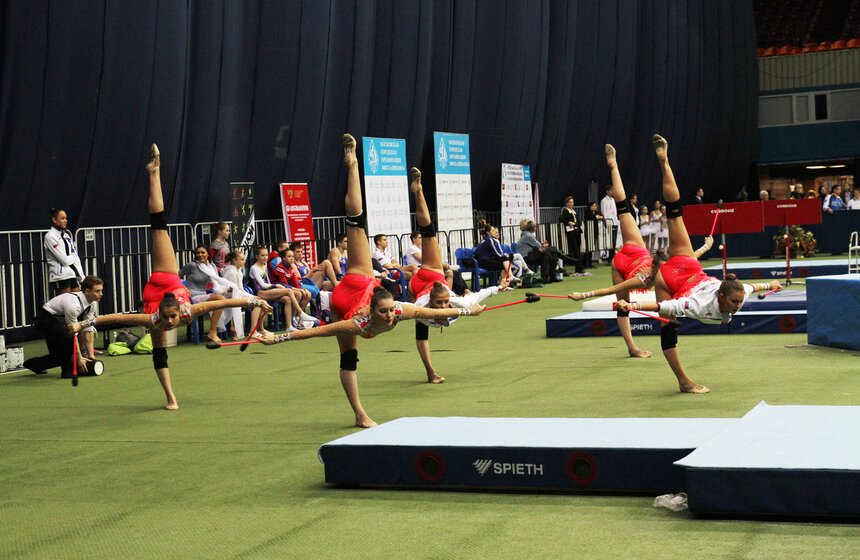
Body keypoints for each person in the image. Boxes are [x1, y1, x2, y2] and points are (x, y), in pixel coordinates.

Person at [256, 135, 486, 428]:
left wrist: (468, 310)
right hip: (351, 288)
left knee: (415, 230)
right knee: (357, 222)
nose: (391, 316)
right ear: (373, 312)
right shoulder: (358, 323)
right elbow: (315, 333)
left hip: (359, 289)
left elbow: (436, 312)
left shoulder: (401, 311)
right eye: (386, 312)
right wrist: (278, 338)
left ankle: (396, 182)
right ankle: (351, 163)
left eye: (391, 311)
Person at [68, 144, 271, 410]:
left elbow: (223, 303)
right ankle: (170, 397)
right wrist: (83, 324)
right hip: (167, 279)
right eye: (169, 319)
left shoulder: (181, 312)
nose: (171, 322)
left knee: (159, 227)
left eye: (172, 318)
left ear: (177, 312)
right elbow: (115, 317)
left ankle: (154, 172)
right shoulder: (157, 319)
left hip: (159, 288)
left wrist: (255, 301)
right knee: (159, 228)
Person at [615, 135, 780, 394]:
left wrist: (772, 283)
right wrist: (631, 305)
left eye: (738, 302)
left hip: (689, 264)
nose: (738, 306)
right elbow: (662, 305)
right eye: (734, 303)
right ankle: (684, 381)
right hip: (671, 279)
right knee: (668, 329)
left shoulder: (738, 290)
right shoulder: (699, 305)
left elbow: (753, 287)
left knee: (674, 211)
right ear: (721, 296)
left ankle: (664, 161)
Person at [569, 144, 713, 358]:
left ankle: (614, 165)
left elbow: (690, 260)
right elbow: (608, 293)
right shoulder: (644, 280)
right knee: (622, 306)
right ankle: (632, 348)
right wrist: (584, 294)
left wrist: (705, 247)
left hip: (634, 250)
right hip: (624, 261)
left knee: (623, 207)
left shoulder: (654, 273)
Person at [407, 167, 510, 383]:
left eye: (445, 303)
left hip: (420, 287)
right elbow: (467, 304)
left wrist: (497, 288)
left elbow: (477, 297)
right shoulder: (429, 308)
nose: (445, 306)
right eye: (442, 304)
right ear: (433, 303)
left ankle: (429, 371)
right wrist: (468, 311)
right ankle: (418, 191)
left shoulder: (443, 302)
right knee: (428, 231)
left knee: (421, 321)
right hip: (432, 278)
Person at [23, 275, 104, 378]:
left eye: (101, 290)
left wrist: (90, 354)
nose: (101, 294)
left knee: (58, 357)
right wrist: (79, 358)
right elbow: (73, 333)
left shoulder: (92, 304)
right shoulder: (73, 305)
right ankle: (67, 371)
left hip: (57, 322)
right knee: (68, 336)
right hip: (44, 319)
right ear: (87, 291)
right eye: (97, 291)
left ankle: (33, 364)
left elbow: (88, 329)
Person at [248, 245, 307, 333]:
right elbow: (262, 285)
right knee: (289, 291)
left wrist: (273, 286)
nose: (265, 257)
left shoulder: (264, 265)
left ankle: (289, 326)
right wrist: (275, 286)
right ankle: (301, 313)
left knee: (287, 299)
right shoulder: (254, 268)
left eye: (266, 255)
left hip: (268, 292)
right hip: (261, 293)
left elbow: (267, 281)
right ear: (256, 256)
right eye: (262, 255)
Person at [178, 245, 231, 343]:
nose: (200, 255)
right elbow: (176, 277)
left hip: (204, 294)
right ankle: (212, 332)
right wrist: (184, 288)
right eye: (198, 253)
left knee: (227, 297)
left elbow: (217, 282)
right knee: (220, 299)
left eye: (203, 252)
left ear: (208, 254)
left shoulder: (212, 266)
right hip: (192, 297)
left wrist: (227, 289)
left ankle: (230, 330)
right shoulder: (192, 265)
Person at [517, 219, 588, 282]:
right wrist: (543, 245)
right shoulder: (528, 235)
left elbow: (537, 246)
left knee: (546, 255)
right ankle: (563, 264)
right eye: (535, 227)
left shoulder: (526, 235)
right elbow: (539, 246)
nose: (536, 229)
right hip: (526, 256)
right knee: (552, 249)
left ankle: (548, 277)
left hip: (529, 254)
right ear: (532, 228)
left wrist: (542, 246)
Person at [44, 208, 85, 296]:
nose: (65, 221)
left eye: (66, 218)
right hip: (60, 276)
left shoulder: (66, 236)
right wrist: (73, 256)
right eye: (62, 218)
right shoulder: (50, 236)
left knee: (77, 303)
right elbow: (65, 260)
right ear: (54, 220)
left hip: (72, 274)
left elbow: (76, 258)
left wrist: (82, 276)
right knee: (65, 306)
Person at [600, 185, 619, 261]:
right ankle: (610, 257)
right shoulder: (604, 200)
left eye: (612, 190)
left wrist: (616, 220)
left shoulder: (613, 200)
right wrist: (606, 221)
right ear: (607, 191)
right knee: (611, 240)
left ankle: (612, 255)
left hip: (614, 221)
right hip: (608, 222)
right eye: (611, 190)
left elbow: (614, 211)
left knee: (614, 240)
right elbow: (604, 212)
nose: (612, 192)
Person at [583, 201, 603, 268]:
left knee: (592, 247)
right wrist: (596, 217)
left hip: (595, 231)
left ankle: (589, 262)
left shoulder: (595, 212)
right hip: (589, 231)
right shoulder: (588, 213)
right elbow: (593, 218)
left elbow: (601, 216)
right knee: (589, 247)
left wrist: (598, 216)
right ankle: (586, 263)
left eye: (595, 206)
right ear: (590, 206)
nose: (594, 207)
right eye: (593, 206)